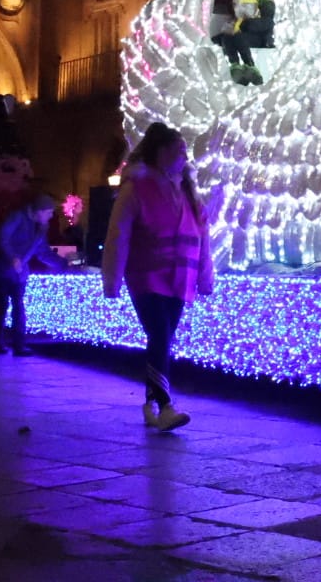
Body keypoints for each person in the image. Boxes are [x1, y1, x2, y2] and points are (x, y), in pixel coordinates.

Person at [101, 123, 214, 432]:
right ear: (161, 153)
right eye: (179, 151)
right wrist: (111, 279)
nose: (184, 157)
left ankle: (151, 404)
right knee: (161, 335)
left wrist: (205, 278)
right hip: (147, 277)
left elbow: (203, 240)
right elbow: (118, 235)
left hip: (180, 280)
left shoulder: (188, 192)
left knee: (161, 339)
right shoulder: (137, 189)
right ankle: (165, 406)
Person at [0, 193, 66, 356]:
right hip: (2, 270)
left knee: (18, 306)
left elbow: (42, 251)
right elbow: (3, 237)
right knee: (1, 306)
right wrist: (13, 257)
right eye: (49, 212)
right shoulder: (18, 217)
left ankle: (19, 344)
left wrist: (63, 264)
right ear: (39, 211)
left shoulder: (40, 227)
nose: (51, 216)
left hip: (19, 273)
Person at [211, 0, 275, 85]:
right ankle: (235, 65)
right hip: (238, 30)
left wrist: (248, 24)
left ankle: (249, 65)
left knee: (236, 36)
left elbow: (268, 23)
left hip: (258, 37)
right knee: (226, 36)